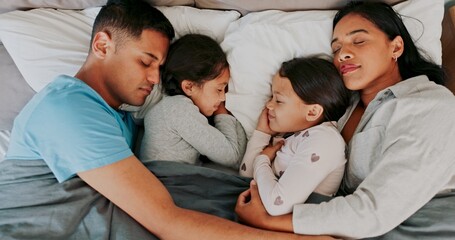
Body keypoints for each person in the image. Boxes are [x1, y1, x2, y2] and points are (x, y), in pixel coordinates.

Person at [0, 0, 332, 239]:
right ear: (102, 44)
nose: (155, 78)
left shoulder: (121, 117)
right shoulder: (68, 108)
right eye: (146, 62)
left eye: (160, 68)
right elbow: (166, 220)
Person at [235, 1, 455, 239]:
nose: (343, 54)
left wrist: (269, 221)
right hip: (337, 223)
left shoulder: (431, 105)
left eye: (358, 41)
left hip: (415, 227)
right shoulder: (339, 108)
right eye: (336, 48)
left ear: (396, 47)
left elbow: (374, 212)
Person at [238, 57, 351, 216]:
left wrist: (262, 160)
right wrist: (262, 134)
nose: (268, 105)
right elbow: (246, 176)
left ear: (312, 112)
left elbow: (277, 205)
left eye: (278, 100)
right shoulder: (293, 135)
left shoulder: (325, 140)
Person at [139, 34, 246, 169]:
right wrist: (222, 112)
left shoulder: (171, 109)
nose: (223, 98)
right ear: (189, 87)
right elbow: (232, 157)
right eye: (219, 89)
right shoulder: (177, 110)